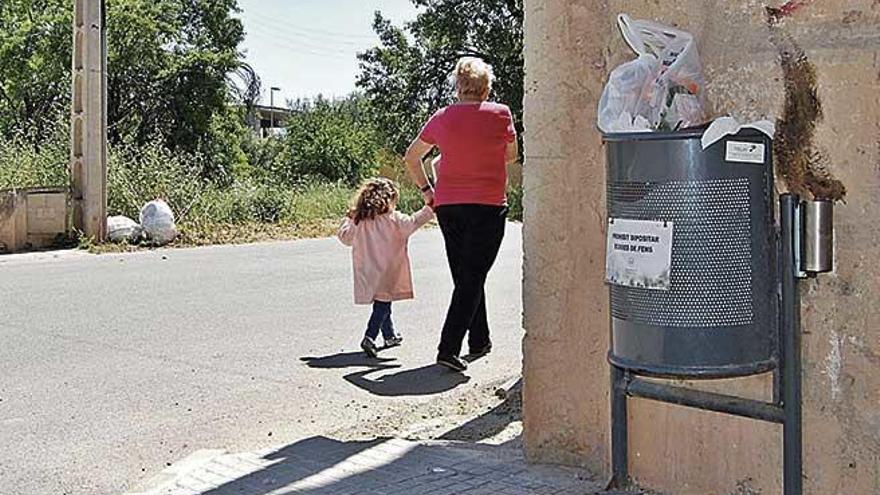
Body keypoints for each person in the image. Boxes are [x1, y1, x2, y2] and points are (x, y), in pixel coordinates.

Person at [403, 57, 519, 372]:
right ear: (487, 88)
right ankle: (448, 347)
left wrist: (428, 192)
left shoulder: (441, 117)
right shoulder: (501, 114)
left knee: (467, 274)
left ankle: (479, 339)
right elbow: (512, 156)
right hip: (488, 205)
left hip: (449, 207)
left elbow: (412, 158)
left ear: (458, 87)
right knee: (472, 275)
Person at [337, 178, 435, 358]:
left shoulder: (359, 221)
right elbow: (414, 221)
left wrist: (347, 219)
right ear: (389, 199)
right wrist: (430, 208)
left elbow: (345, 238)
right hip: (388, 269)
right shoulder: (394, 219)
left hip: (367, 269)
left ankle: (389, 335)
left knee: (382, 301)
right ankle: (370, 336)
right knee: (383, 302)